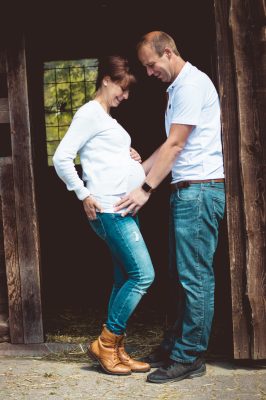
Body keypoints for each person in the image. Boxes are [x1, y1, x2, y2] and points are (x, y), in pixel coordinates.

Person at [115, 31, 225, 383]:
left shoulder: (192, 85)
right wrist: (138, 170)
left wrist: (146, 189)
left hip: (199, 191)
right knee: (184, 277)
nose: (148, 73)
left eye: (151, 65)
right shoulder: (178, 89)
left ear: (168, 52)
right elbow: (168, 146)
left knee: (195, 278)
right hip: (186, 191)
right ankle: (175, 346)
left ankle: (190, 356)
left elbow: (176, 145)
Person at [53, 55, 155, 376]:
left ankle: (118, 349)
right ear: (107, 80)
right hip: (110, 209)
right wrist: (83, 193)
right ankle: (107, 343)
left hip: (121, 207)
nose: (125, 96)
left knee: (125, 277)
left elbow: (104, 155)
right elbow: (62, 157)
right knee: (143, 276)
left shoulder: (107, 118)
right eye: (122, 88)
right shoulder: (90, 114)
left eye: (128, 91)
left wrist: (131, 157)